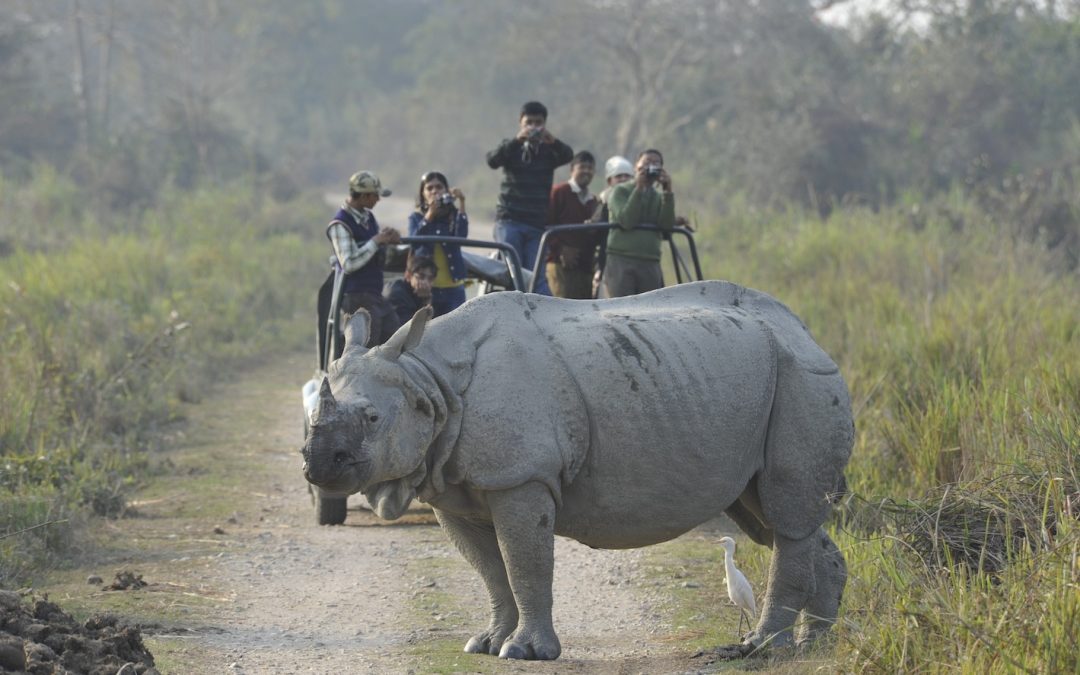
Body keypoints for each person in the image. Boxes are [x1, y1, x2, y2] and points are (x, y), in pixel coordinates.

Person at [486, 100, 573, 295]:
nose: (533, 127)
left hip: (535, 224)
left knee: (535, 278)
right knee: (512, 274)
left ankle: (542, 320)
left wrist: (553, 141)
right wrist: (517, 140)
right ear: (521, 123)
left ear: (544, 124)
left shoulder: (549, 151)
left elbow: (569, 156)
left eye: (538, 123)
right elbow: (492, 160)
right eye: (529, 122)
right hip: (509, 221)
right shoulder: (510, 147)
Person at [326, 170, 402, 351]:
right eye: (375, 196)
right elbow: (349, 263)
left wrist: (389, 240)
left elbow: (374, 252)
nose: (378, 200)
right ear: (364, 196)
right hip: (356, 296)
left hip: (373, 293)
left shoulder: (369, 217)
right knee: (366, 347)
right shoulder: (340, 224)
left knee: (395, 335)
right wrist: (376, 241)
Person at [601, 149, 676, 298]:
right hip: (621, 260)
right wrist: (639, 188)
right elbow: (626, 221)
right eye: (647, 163)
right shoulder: (620, 191)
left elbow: (666, 227)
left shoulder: (658, 197)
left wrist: (668, 192)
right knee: (621, 311)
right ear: (636, 167)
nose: (651, 167)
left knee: (650, 312)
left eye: (656, 164)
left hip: (650, 261)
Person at [407, 171, 469, 316]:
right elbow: (414, 243)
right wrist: (429, 215)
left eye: (439, 187)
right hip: (427, 287)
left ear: (446, 191)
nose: (435, 191)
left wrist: (462, 202)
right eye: (429, 188)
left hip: (454, 287)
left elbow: (462, 236)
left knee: (456, 330)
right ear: (423, 193)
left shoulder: (452, 215)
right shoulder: (416, 217)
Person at [546, 151, 600, 299]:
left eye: (590, 168)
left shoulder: (594, 201)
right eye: (582, 167)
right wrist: (561, 249)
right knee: (559, 308)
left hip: (584, 268)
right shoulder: (559, 192)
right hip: (558, 264)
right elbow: (545, 224)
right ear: (572, 169)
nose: (586, 171)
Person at [387, 254, 437, 325]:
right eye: (421, 276)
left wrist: (427, 301)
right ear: (408, 275)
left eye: (430, 279)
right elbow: (409, 329)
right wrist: (425, 303)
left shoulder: (423, 294)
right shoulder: (396, 294)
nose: (425, 282)